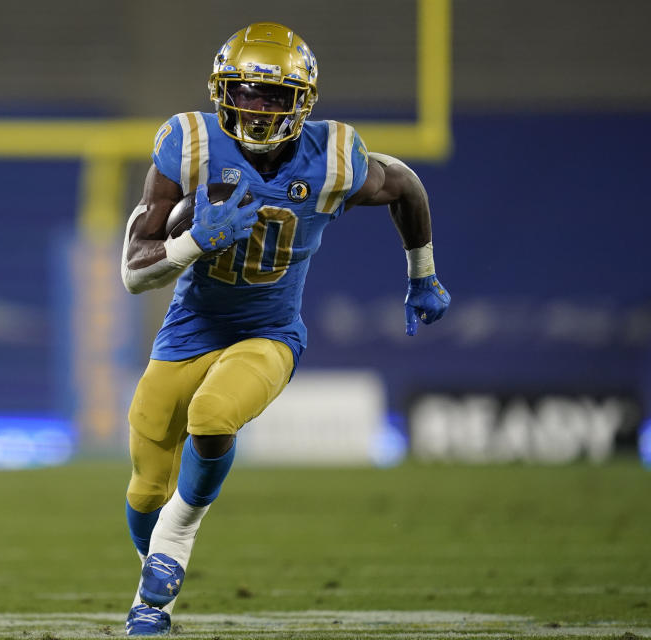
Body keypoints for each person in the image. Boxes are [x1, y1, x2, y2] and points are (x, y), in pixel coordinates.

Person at [119, 22, 450, 635]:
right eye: (246, 92)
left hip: (268, 333)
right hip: (187, 332)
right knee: (144, 489)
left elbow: (403, 183)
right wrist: (193, 241)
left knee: (214, 416)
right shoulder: (189, 144)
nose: (258, 107)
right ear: (223, 92)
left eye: (275, 96)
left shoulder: (331, 158)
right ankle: (152, 591)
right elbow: (134, 273)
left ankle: (176, 545)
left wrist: (422, 275)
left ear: (303, 102)